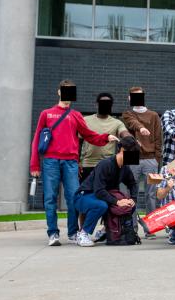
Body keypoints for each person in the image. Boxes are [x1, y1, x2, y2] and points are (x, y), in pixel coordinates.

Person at [30, 79, 119, 246]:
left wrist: (106, 137)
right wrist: (34, 165)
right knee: (50, 198)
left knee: (73, 198)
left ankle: (73, 233)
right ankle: (53, 234)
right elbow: (37, 139)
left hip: (71, 162)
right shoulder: (46, 113)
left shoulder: (76, 115)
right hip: (51, 161)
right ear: (59, 92)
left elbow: (89, 135)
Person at [73, 136, 139, 247]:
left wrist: (133, 199)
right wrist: (117, 202)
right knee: (101, 205)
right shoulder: (105, 164)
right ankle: (83, 234)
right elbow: (99, 191)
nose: (135, 157)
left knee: (128, 205)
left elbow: (132, 184)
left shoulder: (125, 167)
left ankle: (106, 230)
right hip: (84, 196)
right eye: (133, 153)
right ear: (122, 150)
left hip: (101, 195)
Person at [122, 86, 162, 214]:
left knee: (151, 194)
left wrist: (157, 159)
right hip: (131, 157)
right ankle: (131, 229)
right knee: (130, 194)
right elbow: (132, 123)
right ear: (129, 98)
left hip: (151, 158)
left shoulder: (154, 115)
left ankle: (150, 228)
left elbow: (158, 138)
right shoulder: (128, 114)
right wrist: (141, 128)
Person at [80, 92, 129, 182]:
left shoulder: (117, 123)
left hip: (107, 165)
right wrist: (77, 163)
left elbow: (124, 133)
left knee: (106, 193)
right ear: (97, 105)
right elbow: (78, 142)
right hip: (87, 164)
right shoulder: (85, 120)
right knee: (86, 194)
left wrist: (129, 137)